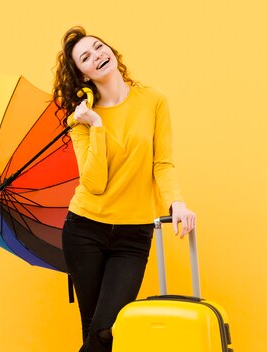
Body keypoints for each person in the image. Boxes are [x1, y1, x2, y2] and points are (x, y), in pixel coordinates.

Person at [53, 26, 196, 352]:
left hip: (133, 235)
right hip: (85, 229)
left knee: (106, 331)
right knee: (94, 331)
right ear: (83, 76)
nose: (97, 56)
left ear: (112, 51)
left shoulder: (154, 101)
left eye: (98, 47)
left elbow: (162, 163)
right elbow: (94, 183)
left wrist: (177, 204)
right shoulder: (81, 120)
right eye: (85, 58)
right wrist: (97, 127)